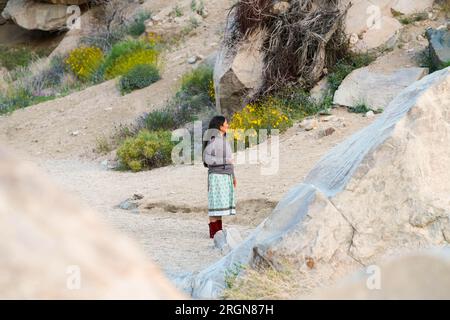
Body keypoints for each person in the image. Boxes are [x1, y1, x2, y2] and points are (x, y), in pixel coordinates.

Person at [202, 115, 237, 239]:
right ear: (220, 126)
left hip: (224, 175)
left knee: (219, 206)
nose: (227, 125)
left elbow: (229, 162)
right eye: (226, 123)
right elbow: (207, 160)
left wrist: (233, 176)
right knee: (215, 206)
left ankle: (218, 233)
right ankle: (215, 234)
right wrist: (226, 160)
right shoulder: (214, 141)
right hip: (217, 176)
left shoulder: (222, 140)